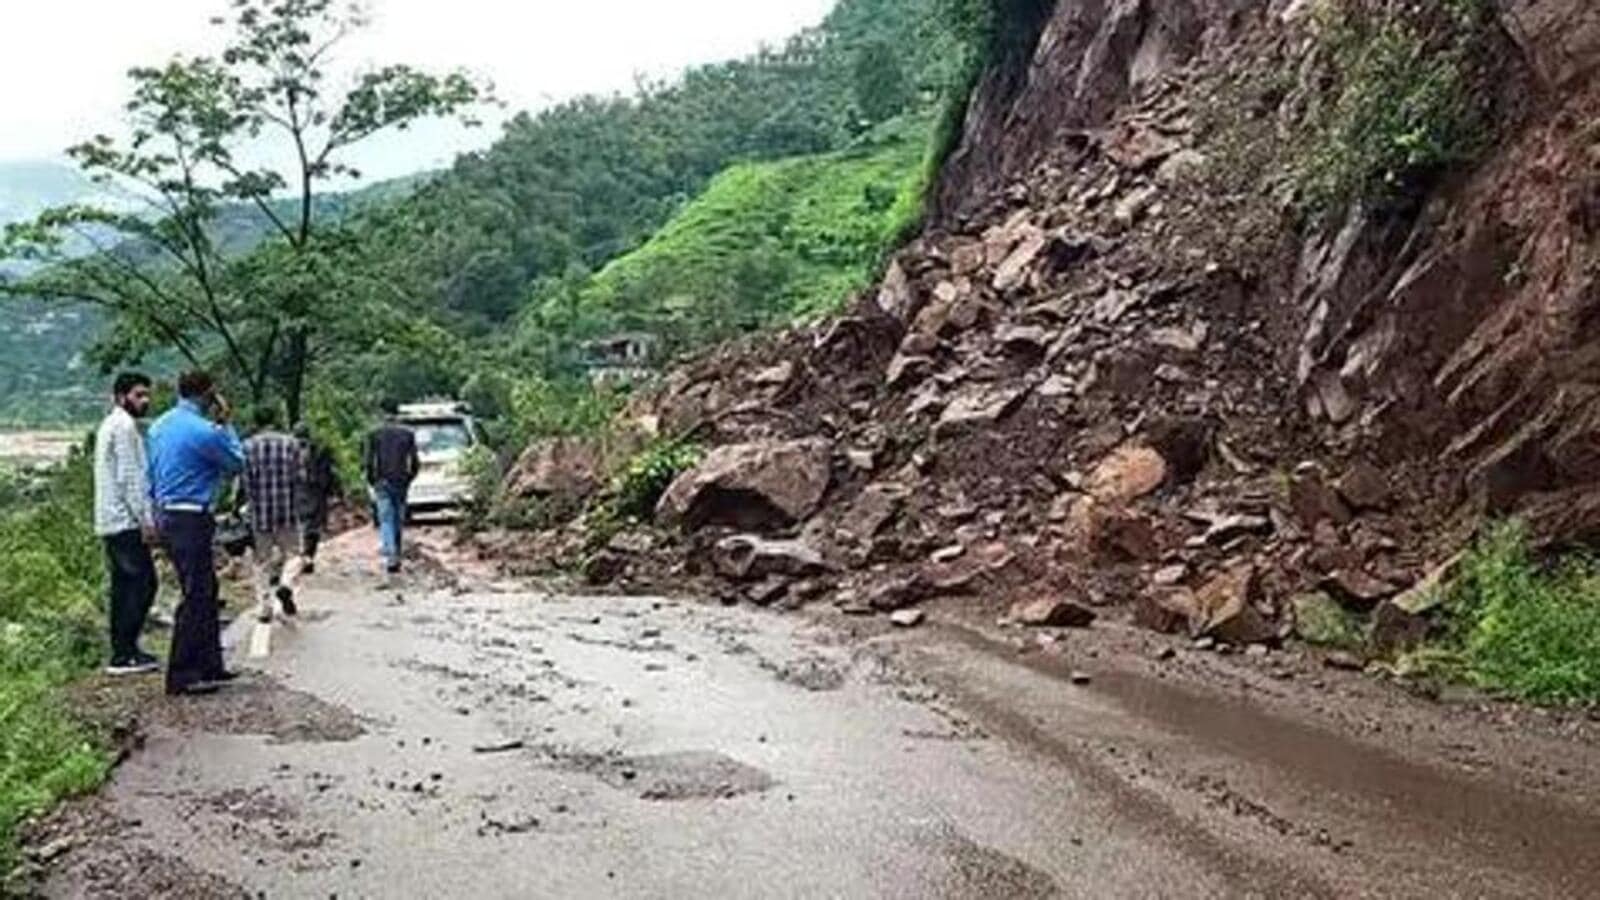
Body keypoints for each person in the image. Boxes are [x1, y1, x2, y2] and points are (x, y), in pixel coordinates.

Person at [147, 370, 245, 696]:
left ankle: (209, 665)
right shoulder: (207, 432)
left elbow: (151, 473)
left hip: (168, 515)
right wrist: (227, 422)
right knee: (196, 594)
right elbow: (236, 463)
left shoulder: (159, 426)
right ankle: (182, 673)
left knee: (205, 588)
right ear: (208, 394)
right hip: (192, 517)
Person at [93, 372, 160, 675]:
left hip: (111, 518)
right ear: (121, 397)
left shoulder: (111, 425)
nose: (144, 401)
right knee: (143, 583)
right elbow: (130, 478)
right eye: (138, 395)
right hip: (124, 520)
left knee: (123, 586)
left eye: (146, 395)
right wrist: (146, 520)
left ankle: (123, 651)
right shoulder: (123, 427)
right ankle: (125, 653)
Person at [243, 406, 305, 624]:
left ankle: (264, 608)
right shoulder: (291, 444)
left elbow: (245, 482)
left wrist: (244, 506)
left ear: (256, 422)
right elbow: (300, 476)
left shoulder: (248, 447)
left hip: (260, 512)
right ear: (275, 420)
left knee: (261, 561)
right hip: (287, 510)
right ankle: (286, 584)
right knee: (295, 554)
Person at [363, 400, 418, 574]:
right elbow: (415, 461)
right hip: (401, 481)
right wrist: (409, 478)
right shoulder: (407, 434)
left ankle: (391, 556)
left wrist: (372, 480)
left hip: (382, 481)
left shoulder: (375, 434)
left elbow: (369, 461)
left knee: (386, 519)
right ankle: (397, 554)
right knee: (398, 519)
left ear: (382, 413)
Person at [294, 422, 339, 573]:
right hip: (315, 493)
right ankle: (308, 557)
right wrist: (334, 491)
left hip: (301, 492)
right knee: (311, 527)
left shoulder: (288, 451)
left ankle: (304, 557)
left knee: (303, 526)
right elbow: (330, 472)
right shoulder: (320, 449)